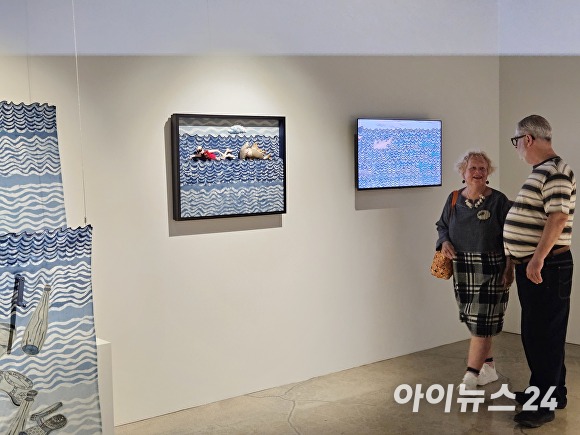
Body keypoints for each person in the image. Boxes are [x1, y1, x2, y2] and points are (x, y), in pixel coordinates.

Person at [504, 115, 576, 428]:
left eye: (516, 141)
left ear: (528, 138)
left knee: (543, 335)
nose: (517, 148)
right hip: (537, 266)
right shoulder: (543, 171)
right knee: (541, 333)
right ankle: (551, 392)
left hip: (547, 267)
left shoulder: (556, 171)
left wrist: (536, 259)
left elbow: (558, 218)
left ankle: (543, 406)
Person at [436, 150, 513, 391]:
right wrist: (444, 242)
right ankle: (488, 368)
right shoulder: (453, 199)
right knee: (473, 320)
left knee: (481, 321)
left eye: (482, 168)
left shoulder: (499, 201)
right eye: (473, 168)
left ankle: (471, 375)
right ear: (463, 172)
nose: (477, 172)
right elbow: (442, 226)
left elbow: (512, 236)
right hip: (462, 268)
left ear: (488, 173)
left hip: (492, 268)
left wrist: (510, 267)